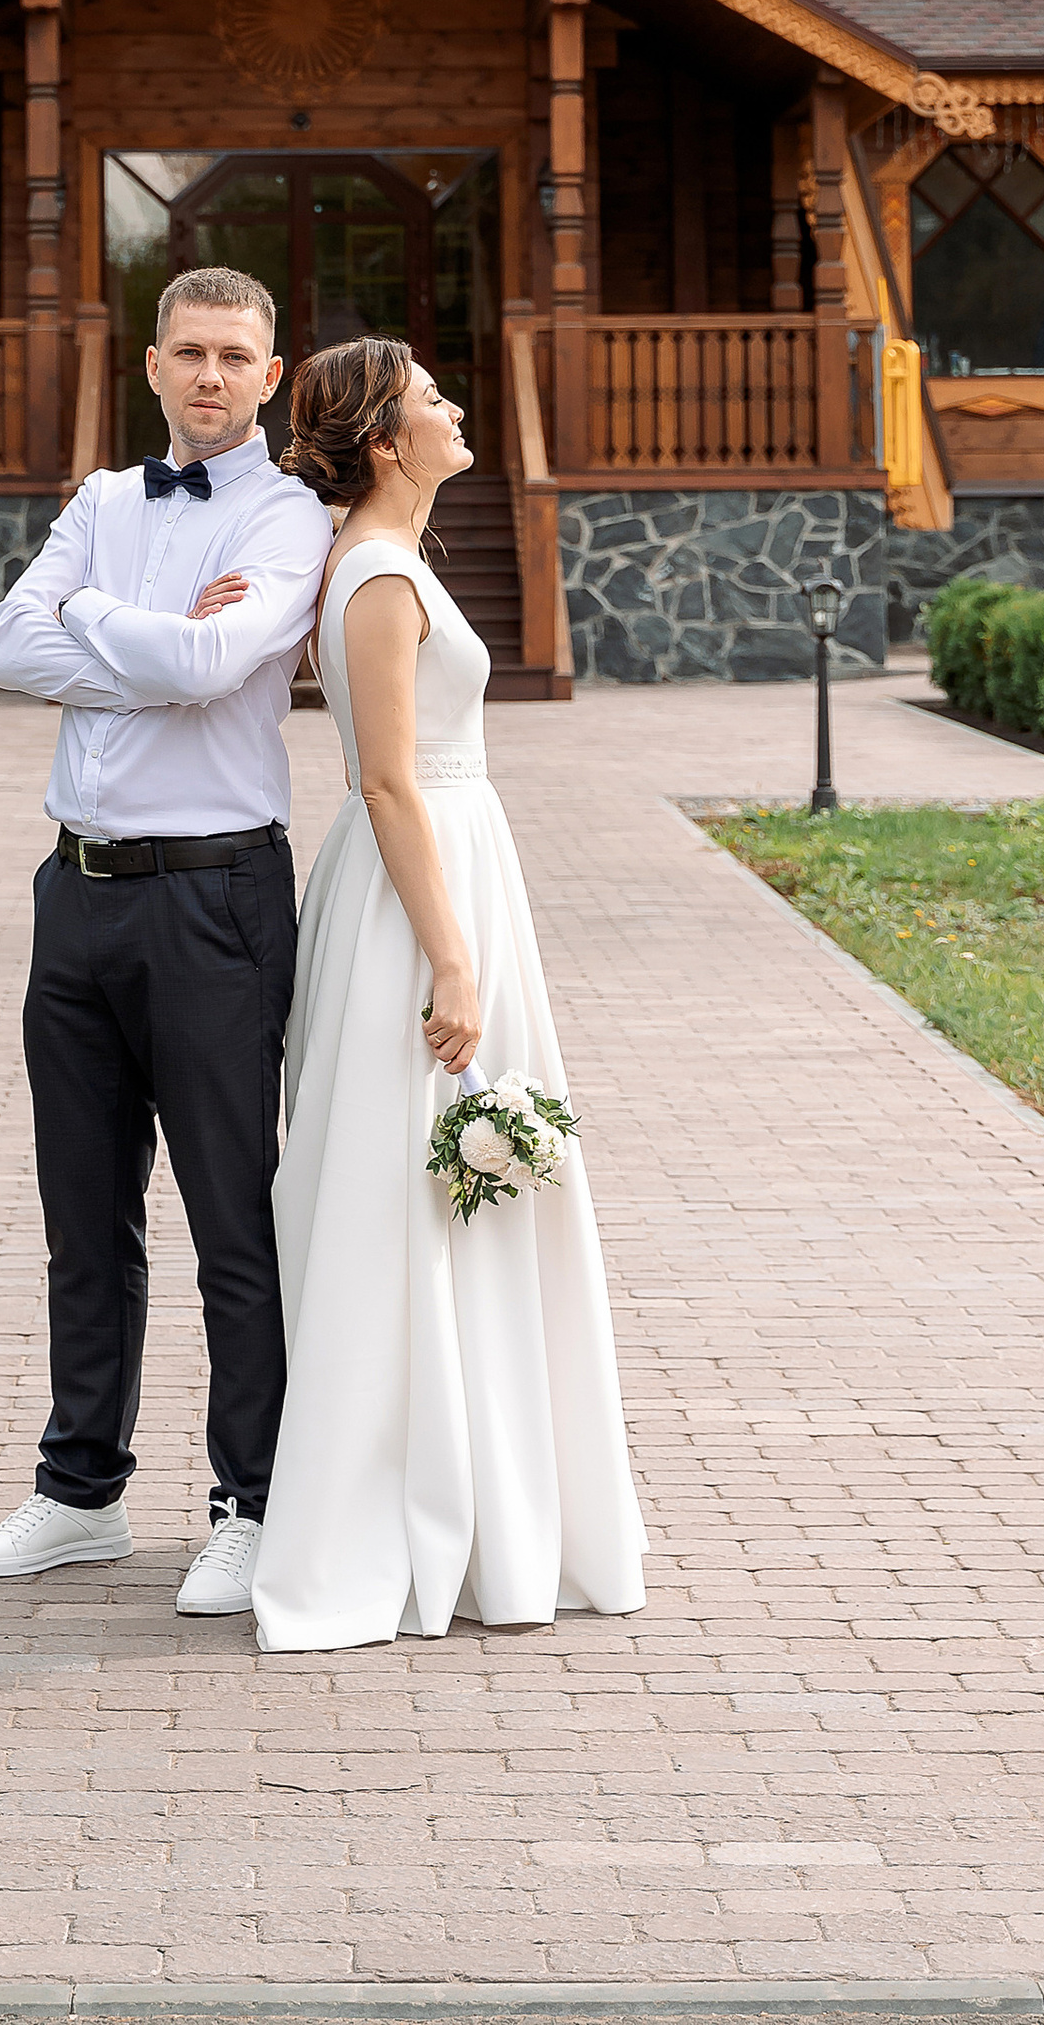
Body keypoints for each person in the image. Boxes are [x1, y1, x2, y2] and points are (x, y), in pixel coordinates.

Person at [251, 335, 644, 1653]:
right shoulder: (370, 572)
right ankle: (396, 1511)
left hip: (463, 873)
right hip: (412, 901)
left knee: (478, 1186)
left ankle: (496, 1509)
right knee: (399, 1191)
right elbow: (383, 780)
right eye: (430, 397)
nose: (456, 406)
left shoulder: (400, 558)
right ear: (382, 437)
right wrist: (454, 959)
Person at [0, 265, 334, 1618]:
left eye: (237, 355)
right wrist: (151, 638)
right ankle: (80, 1496)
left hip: (216, 901)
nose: (210, 377)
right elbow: (7, 650)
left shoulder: (297, 519)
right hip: (78, 895)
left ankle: (251, 1501)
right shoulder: (105, 502)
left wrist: (101, 626)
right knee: (84, 1213)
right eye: (188, 352)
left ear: (272, 373)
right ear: (153, 365)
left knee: (232, 1213)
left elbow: (207, 673)